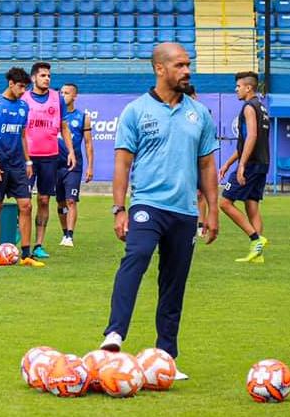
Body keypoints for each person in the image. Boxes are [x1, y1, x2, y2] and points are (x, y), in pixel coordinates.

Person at [99, 43, 220, 383]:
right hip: (147, 205)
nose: (187, 71)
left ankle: (166, 356)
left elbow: (207, 165)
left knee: (173, 283)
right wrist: (119, 208)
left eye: (188, 65)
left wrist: (212, 211)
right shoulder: (136, 111)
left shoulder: (200, 113)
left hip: (184, 211)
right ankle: (114, 334)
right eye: (180, 65)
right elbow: (123, 164)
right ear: (160, 69)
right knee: (135, 258)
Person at [0, 67, 45, 268]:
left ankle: (26, 254)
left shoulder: (24, 106)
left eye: (25, 87)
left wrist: (28, 161)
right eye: (20, 86)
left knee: (26, 205)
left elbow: (23, 135)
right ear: (10, 84)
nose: (23, 90)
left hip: (17, 164)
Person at [22, 62, 76, 259]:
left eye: (49, 76)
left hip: (49, 156)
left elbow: (64, 127)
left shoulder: (57, 98)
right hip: (27, 157)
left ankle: (38, 244)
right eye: (43, 75)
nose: (47, 78)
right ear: (34, 78)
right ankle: (23, 236)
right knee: (24, 202)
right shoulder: (24, 97)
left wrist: (70, 151)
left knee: (44, 200)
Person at [219, 71, 271, 263]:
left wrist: (241, 166)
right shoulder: (262, 108)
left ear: (248, 88)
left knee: (224, 202)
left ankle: (255, 239)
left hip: (251, 164)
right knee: (252, 207)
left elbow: (252, 137)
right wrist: (228, 163)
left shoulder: (249, 107)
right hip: (262, 163)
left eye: (238, 86)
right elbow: (248, 143)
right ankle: (257, 255)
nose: (236, 89)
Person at [55, 83, 93, 248]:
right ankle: (64, 233)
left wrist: (90, 167)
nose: (63, 95)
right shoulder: (55, 116)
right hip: (55, 164)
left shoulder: (83, 117)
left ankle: (70, 235)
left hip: (73, 165)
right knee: (61, 203)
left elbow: (88, 144)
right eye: (61, 92)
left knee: (71, 200)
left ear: (74, 96)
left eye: (67, 93)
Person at [183, 84, 210, 236]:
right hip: (186, 162)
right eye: (195, 94)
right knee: (188, 194)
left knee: (201, 194)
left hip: (200, 161)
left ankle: (201, 225)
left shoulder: (202, 113)